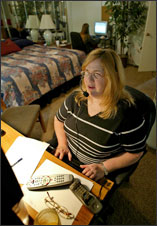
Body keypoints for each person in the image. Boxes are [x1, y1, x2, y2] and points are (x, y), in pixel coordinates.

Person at [49, 48, 146, 182]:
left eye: (97, 74)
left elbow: (136, 153)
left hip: (92, 173)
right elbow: (58, 120)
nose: (88, 79)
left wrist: (104, 168)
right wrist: (62, 144)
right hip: (65, 157)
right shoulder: (75, 99)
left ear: (113, 78)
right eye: (87, 72)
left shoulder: (128, 114)